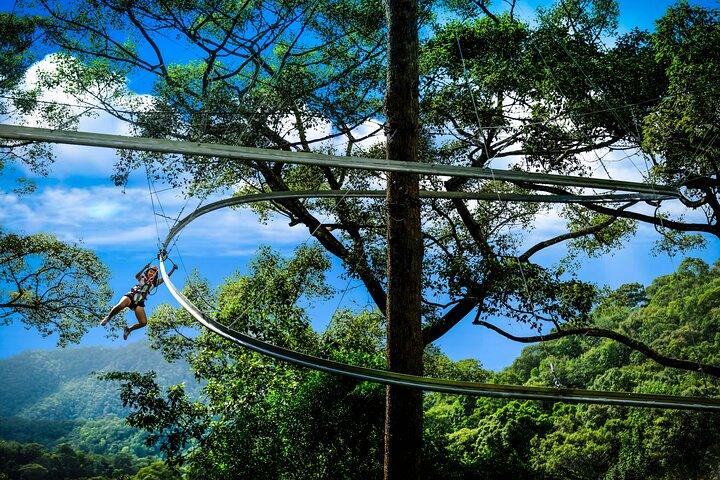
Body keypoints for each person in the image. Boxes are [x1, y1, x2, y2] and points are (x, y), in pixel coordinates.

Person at [100, 258, 178, 340]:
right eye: (150, 271)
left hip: (139, 302)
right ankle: (108, 317)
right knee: (120, 306)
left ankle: (129, 329)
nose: (152, 273)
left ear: (155, 275)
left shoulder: (155, 283)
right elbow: (136, 275)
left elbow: (166, 278)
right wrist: (145, 268)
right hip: (131, 296)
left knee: (143, 322)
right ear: (147, 272)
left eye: (154, 272)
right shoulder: (142, 278)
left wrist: (173, 269)